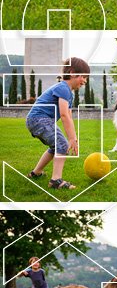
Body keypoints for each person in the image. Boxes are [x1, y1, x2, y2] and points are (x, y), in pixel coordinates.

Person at [25, 57, 89, 190]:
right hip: (39, 119)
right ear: (72, 73)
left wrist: (74, 138)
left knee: (56, 147)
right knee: (62, 145)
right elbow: (64, 115)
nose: (85, 81)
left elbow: (69, 116)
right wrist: (70, 139)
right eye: (84, 76)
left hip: (36, 120)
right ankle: (56, 181)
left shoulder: (68, 93)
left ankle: (35, 173)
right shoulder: (63, 88)